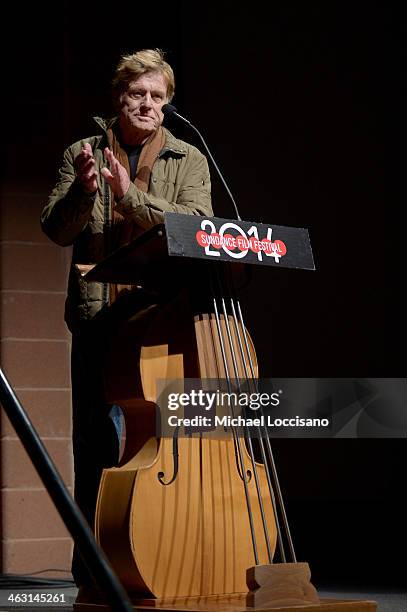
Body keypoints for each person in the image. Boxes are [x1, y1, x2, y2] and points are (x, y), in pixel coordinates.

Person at [40, 48, 213, 588]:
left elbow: (195, 228)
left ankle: (155, 556)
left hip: (161, 316)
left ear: (168, 103)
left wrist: (127, 195)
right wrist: (85, 192)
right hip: (99, 319)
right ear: (118, 97)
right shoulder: (81, 151)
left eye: (157, 97)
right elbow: (56, 228)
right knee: (97, 443)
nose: (147, 104)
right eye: (138, 94)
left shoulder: (188, 159)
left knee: (158, 441)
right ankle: (95, 570)